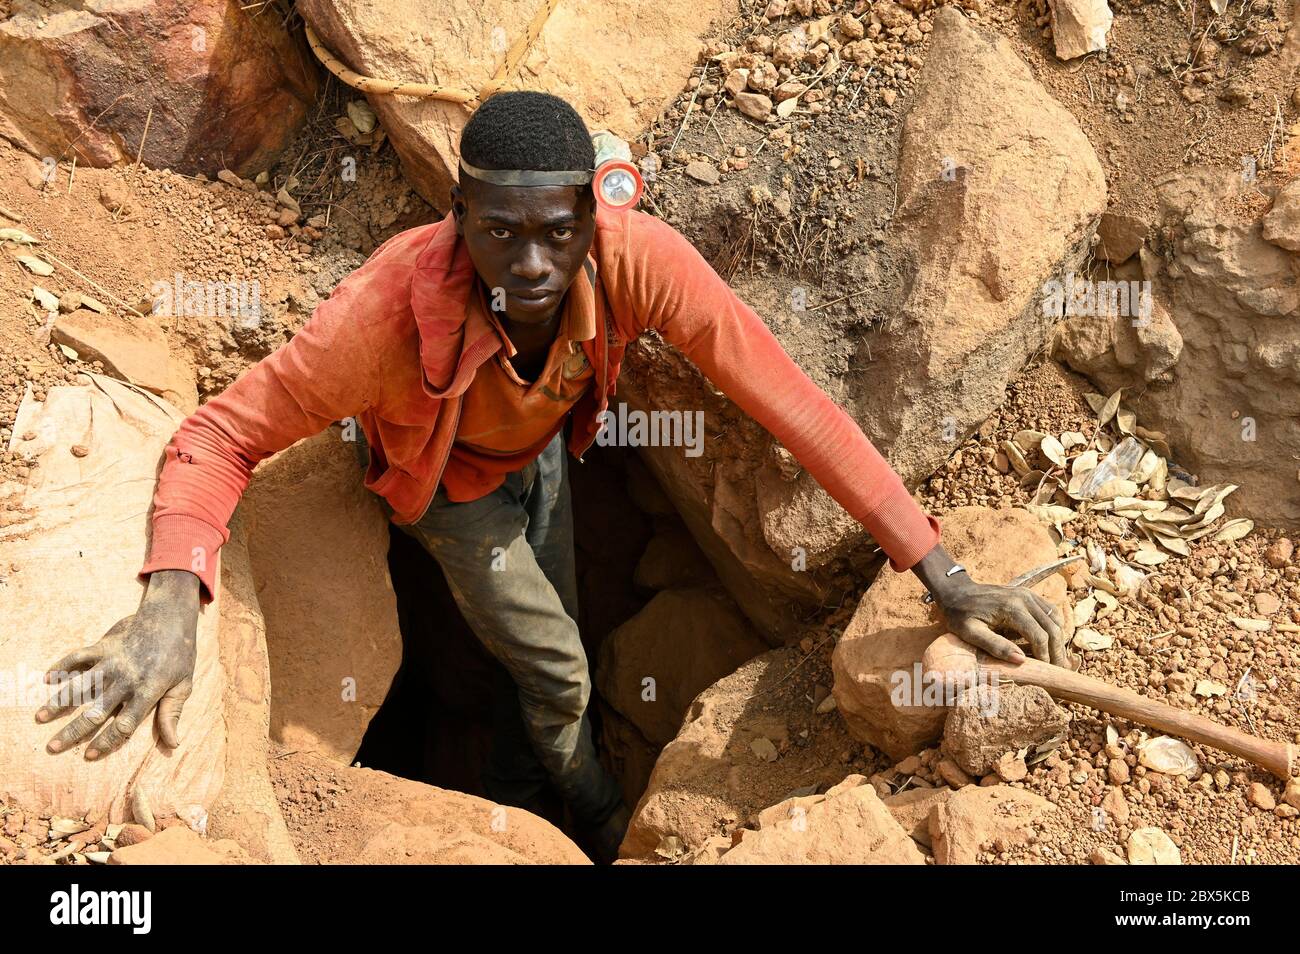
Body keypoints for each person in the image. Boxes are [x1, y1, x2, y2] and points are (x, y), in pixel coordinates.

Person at [37, 91, 1064, 864]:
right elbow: (219, 436)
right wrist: (173, 596)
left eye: (555, 230)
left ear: (590, 213)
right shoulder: (382, 315)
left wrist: (938, 570)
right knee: (561, 671)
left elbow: (790, 403)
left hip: (546, 455)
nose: (529, 262)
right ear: (458, 213)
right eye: (499, 230)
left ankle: (522, 768)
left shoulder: (636, 257)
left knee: (556, 633)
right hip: (447, 491)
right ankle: (581, 812)